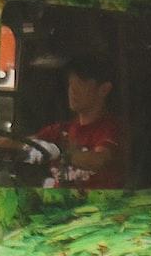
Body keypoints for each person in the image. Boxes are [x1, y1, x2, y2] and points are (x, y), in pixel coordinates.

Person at [33, 53, 126, 188]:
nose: (73, 91)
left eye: (81, 84)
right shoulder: (61, 130)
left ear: (104, 89)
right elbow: (24, 143)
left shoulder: (112, 129)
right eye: (71, 84)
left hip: (100, 205)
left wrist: (60, 154)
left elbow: (99, 160)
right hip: (58, 204)